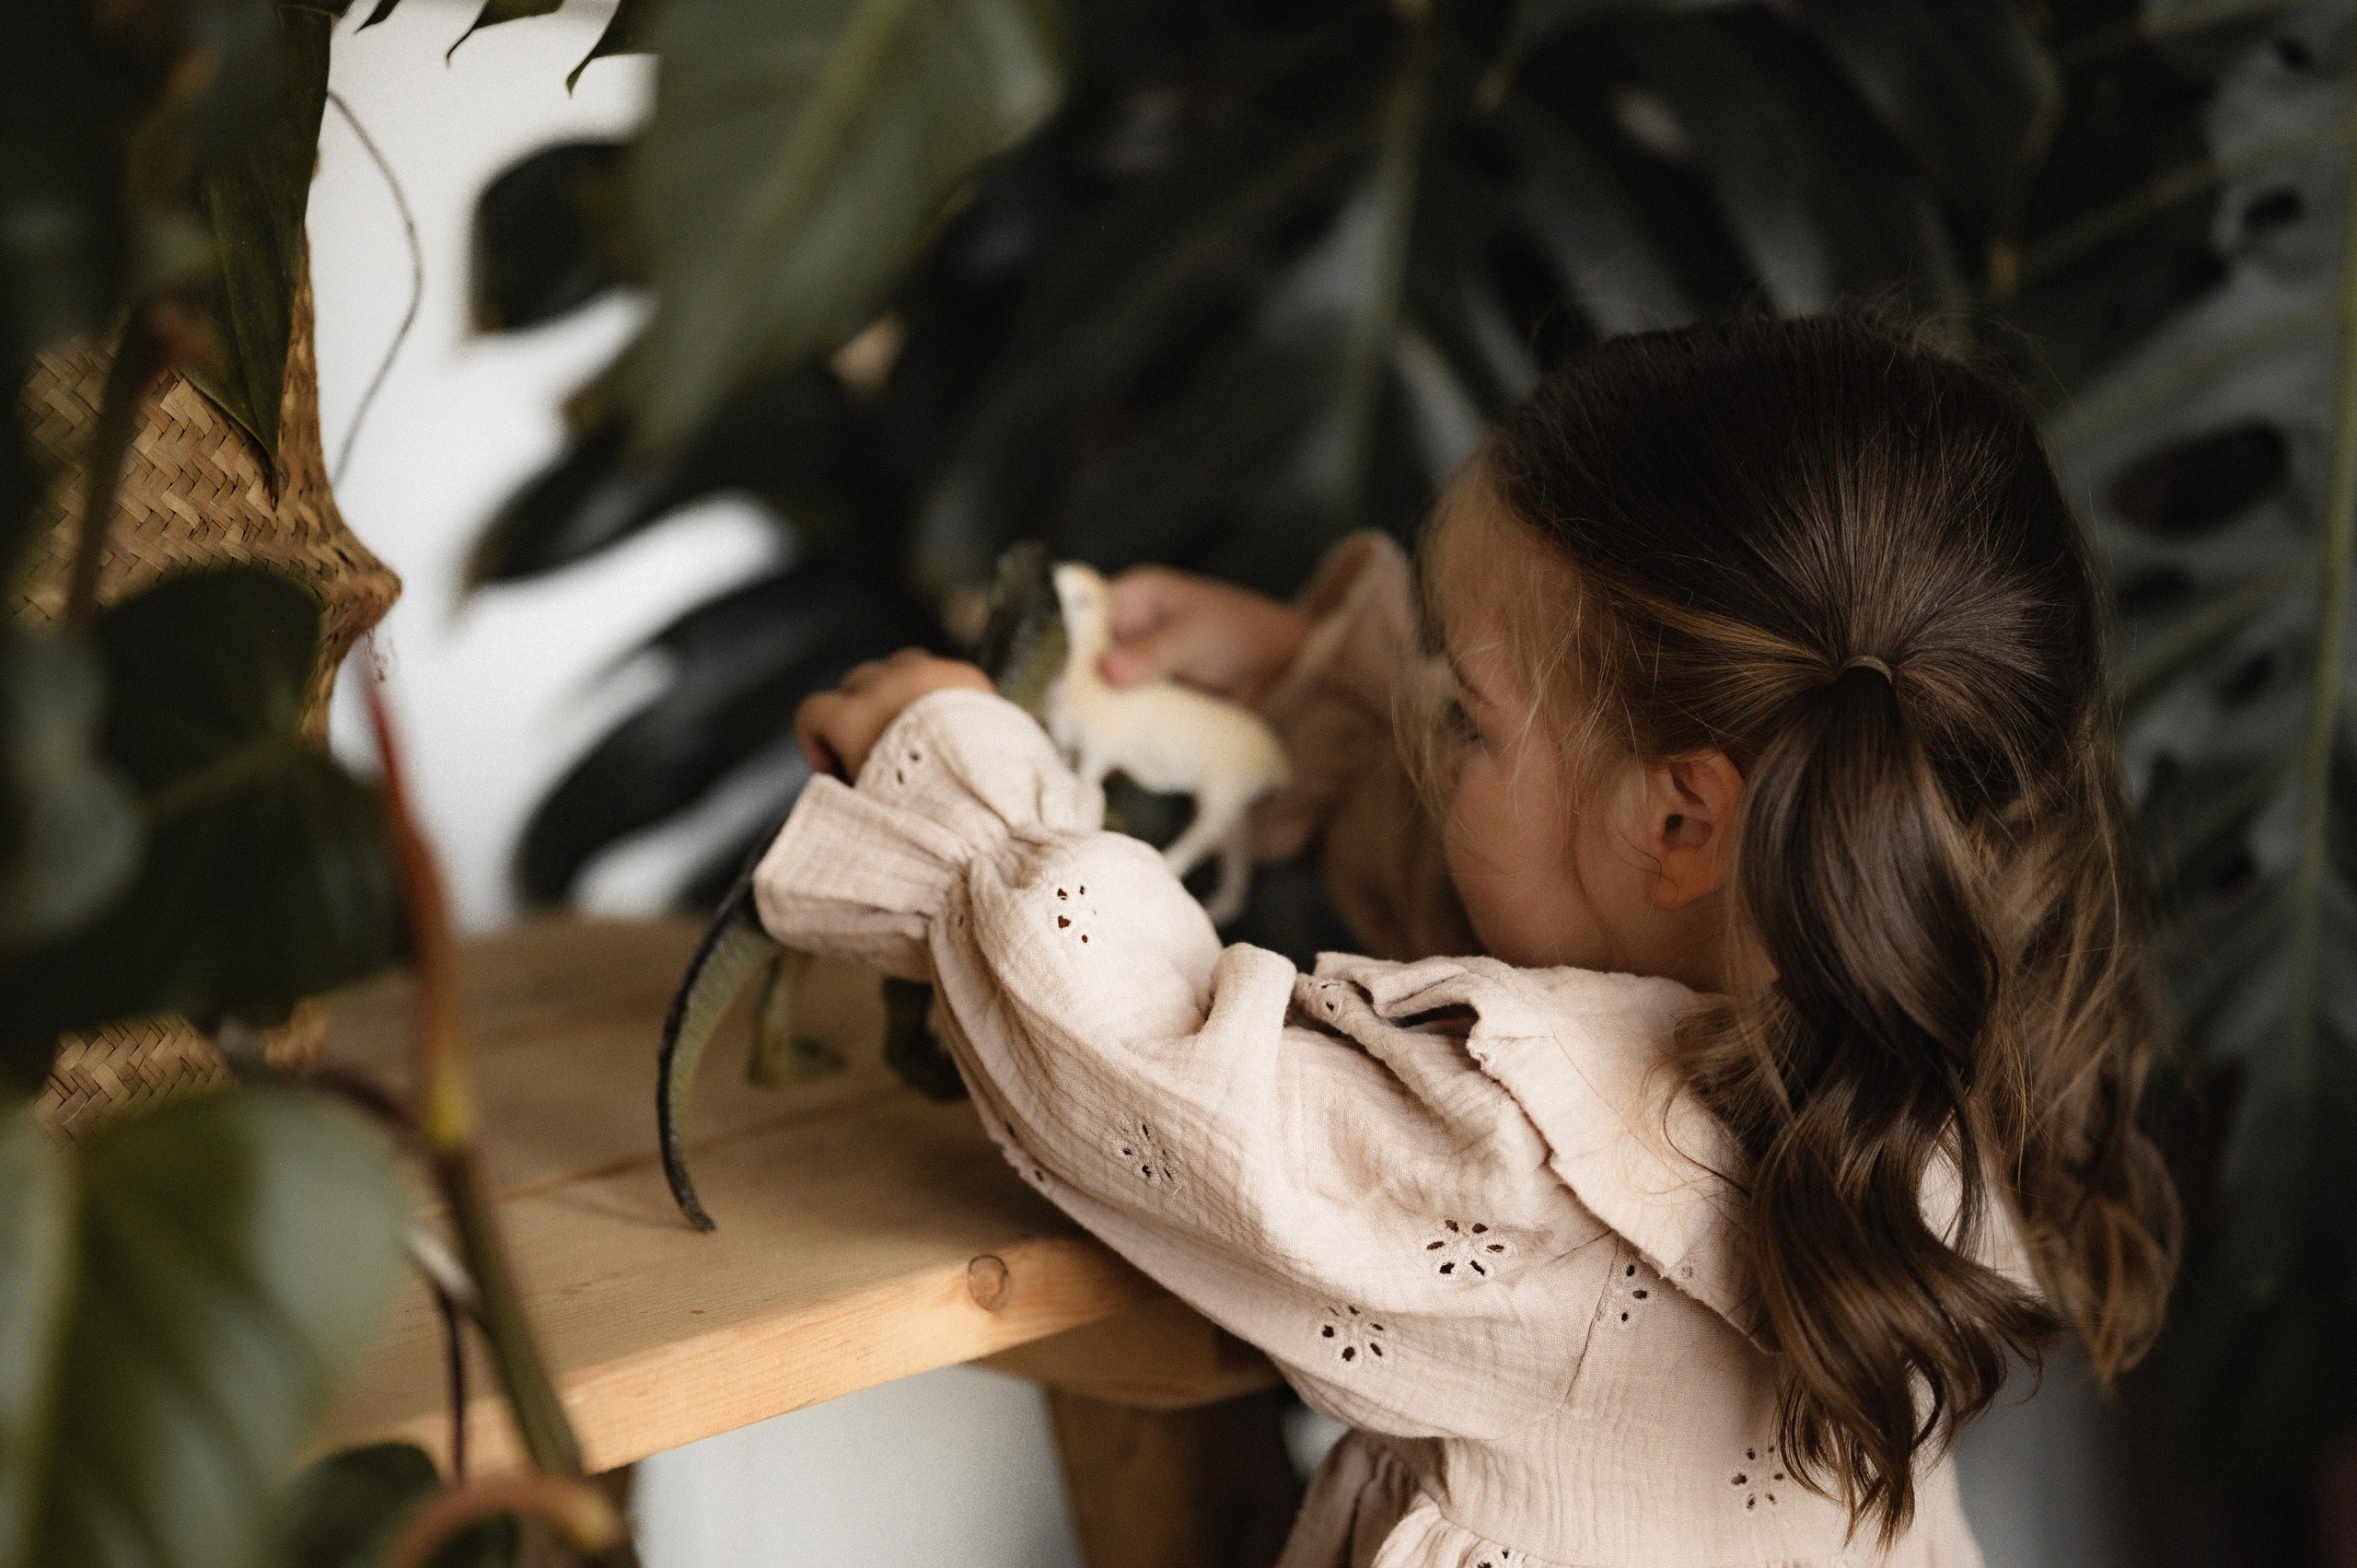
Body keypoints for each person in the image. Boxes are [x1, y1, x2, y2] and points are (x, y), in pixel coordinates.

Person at [775, 315, 2178, 1567]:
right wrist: (1320, 701)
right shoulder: (1929, 1009)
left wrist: (957, 801)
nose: (1436, 733)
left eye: (1468, 719)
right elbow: (1563, 882)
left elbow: (1154, 1083)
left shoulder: (1515, 1176)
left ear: (1687, 822)